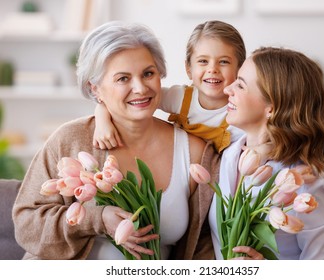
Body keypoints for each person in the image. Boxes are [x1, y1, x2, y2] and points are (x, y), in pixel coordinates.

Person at [12, 21, 218, 260]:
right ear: (95, 89)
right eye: (123, 79)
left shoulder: (194, 152)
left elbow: (205, 240)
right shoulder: (70, 140)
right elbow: (26, 224)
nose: (140, 88)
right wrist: (95, 219)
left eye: (148, 73)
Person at [177, 47, 324, 260]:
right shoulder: (229, 152)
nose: (228, 89)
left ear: (271, 107)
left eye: (241, 85)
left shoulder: (306, 188)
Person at [93, 20, 246, 153]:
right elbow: (131, 100)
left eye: (224, 62)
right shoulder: (180, 98)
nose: (213, 69)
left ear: (240, 69)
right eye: (203, 61)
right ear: (189, 69)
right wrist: (102, 121)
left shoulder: (242, 107)